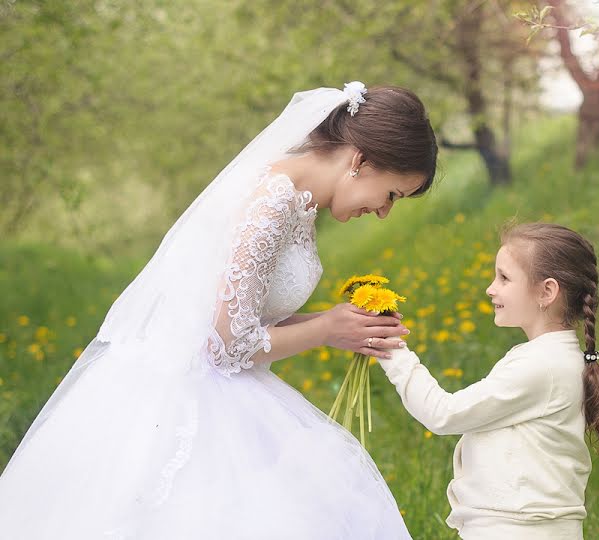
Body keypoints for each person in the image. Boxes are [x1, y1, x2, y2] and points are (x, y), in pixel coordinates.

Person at [0, 82, 436, 539]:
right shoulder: (274, 199)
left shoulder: (297, 200)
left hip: (218, 381)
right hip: (185, 394)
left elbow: (241, 317)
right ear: (360, 162)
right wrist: (327, 327)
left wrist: (344, 326)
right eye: (392, 195)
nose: (385, 212)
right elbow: (228, 345)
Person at [375, 223, 599, 540]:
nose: (491, 288)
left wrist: (389, 347)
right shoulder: (554, 358)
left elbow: (443, 413)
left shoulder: (540, 365)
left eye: (504, 278)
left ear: (547, 292)